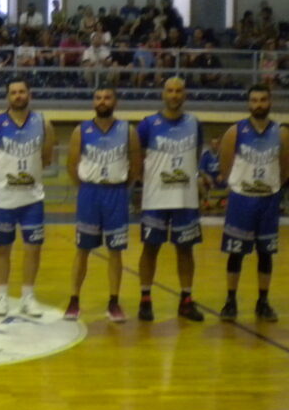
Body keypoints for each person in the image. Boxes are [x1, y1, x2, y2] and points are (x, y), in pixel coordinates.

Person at [0, 80, 55, 317]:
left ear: (29, 94)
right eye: (13, 92)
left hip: (32, 198)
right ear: (7, 96)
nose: (18, 96)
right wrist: (0, 178)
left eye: (22, 92)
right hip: (2, 198)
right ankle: (2, 295)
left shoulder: (43, 123)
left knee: (33, 248)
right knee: (2, 248)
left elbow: (47, 157)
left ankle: (28, 296)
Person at [64, 87, 142, 322]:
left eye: (107, 97)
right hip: (90, 192)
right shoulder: (81, 130)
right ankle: (74, 300)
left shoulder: (128, 131)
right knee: (82, 249)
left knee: (115, 250)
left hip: (116, 193)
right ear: (93, 102)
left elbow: (136, 165)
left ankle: (114, 302)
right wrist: (86, 187)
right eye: (98, 98)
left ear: (115, 102)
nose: (102, 101)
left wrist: (121, 186)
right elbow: (71, 165)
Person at [218, 84, 289, 322]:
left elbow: (285, 168)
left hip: (268, 199)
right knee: (236, 253)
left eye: (262, 100)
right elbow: (225, 167)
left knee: (265, 253)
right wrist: (240, 185)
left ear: (270, 102)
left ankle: (263, 302)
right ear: (248, 103)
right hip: (242, 199)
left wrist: (270, 186)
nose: (258, 104)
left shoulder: (282, 132)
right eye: (254, 100)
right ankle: (230, 301)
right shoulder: (235, 131)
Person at [135, 77, 206, 322]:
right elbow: (136, 156)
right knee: (150, 248)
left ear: (185, 95)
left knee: (185, 250)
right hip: (155, 199)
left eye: (178, 91)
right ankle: (145, 299)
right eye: (170, 90)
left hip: (185, 199)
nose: (174, 95)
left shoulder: (194, 124)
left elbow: (196, 155)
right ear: (163, 94)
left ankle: (186, 299)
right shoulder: (148, 124)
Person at [198, 136, 226, 209]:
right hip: (209, 179)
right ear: (210, 144)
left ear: (219, 144)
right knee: (199, 181)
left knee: (231, 180)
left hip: (219, 179)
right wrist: (206, 176)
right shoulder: (206, 155)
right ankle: (206, 202)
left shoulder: (223, 154)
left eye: (216, 144)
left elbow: (228, 167)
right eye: (213, 144)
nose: (214, 146)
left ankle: (222, 201)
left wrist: (222, 174)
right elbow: (201, 170)